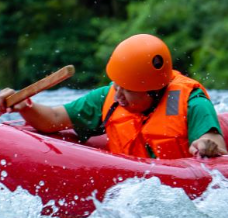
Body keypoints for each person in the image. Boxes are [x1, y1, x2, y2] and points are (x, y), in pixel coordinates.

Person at [0, 34, 227, 159]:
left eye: (126, 90)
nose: (117, 95)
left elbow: (215, 143)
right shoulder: (107, 98)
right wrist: (25, 106)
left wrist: (207, 145)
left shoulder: (191, 102)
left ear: (153, 90)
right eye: (116, 85)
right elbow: (53, 118)